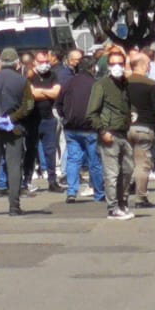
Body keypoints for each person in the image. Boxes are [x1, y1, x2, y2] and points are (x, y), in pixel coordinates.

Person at [0, 48, 34, 216]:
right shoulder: (22, 81)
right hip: (14, 129)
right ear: (17, 63)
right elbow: (29, 105)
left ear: (1, 63)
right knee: (14, 166)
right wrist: (12, 119)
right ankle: (14, 206)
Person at [88, 48, 136, 220]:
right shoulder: (101, 85)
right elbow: (92, 112)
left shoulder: (125, 84)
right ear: (108, 66)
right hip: (109, 134)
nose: (117, 67)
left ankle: (122, 203)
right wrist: (102, 131)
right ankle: (113, 208)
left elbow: (127, 105)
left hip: (124, 133)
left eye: (120, 64)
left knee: (128, 171)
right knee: (112, 173)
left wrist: (132, 114)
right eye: (114, 64)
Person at [57, 50, 104, 203]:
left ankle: (71, 192)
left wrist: (65, 117)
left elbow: (59, 103)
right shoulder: (96, 84)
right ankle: (99, 193)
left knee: (73, 159)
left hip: (71, 127)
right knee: (94, 161)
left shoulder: (69, 82)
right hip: (90, 128)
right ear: (93, 68)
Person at [126, 54, 155, 209]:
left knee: (126, 163)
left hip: (125, 127)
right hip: (145, 127)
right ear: (143, 65)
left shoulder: (122, 84)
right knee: (142, 164)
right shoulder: (150, 84)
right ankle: (140, 198)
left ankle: (122, 196)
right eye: (148, 64)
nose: (150, 67)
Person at [25, 50, 64, 193]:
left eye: (46, 62)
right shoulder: (29, 76)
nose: (45, 65)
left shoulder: (53, 75)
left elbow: (56, 93)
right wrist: (46, 92)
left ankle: (52, 181)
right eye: (41, 62)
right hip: (33, 120)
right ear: (35, 62)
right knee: (30, 150)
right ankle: (26, 181)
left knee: (50, 151)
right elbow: (31, 94)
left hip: (49, 119)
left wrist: (40, 91)